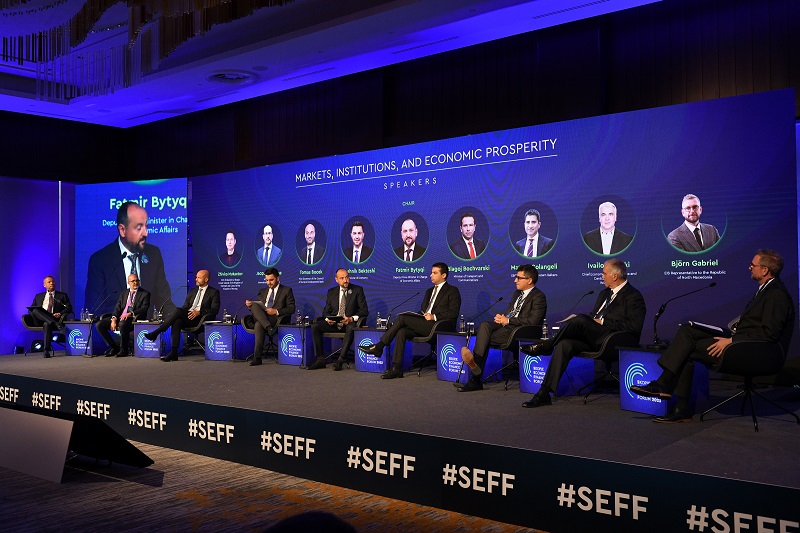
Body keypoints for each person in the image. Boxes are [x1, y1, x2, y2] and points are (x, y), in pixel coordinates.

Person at [631, 249, 794, 423]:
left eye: (753, 265)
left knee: (688, 349)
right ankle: (666, 388)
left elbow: (769, 334)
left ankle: (675, 399)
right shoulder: (766, 290)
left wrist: (731, 340)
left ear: (765, 270)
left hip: (755, 352)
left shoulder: (776, 294)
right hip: (742, 341)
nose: (749, 268)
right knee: (687, 330)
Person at [520, 258, 646, 407]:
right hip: (594, 339)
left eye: (604, 273)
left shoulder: (633, 296)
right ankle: (544, 393)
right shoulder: (604, 294)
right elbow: (593, 316)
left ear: (615, 276)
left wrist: (603, 322)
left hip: (613, 341)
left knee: (580, 319)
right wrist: (593, 321)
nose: (602, 276)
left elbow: (634, 326)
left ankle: (547, 345)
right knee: (565, 344)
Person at [361, 262, 461, 379]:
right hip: (425, 324)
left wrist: (434, 316)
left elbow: (453, 313)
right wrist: (419, 315)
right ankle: (397, 368)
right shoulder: (429, 291)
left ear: (443, 275)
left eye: (435, 273)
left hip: (439, 326)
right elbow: (424, 309)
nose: (431, 275)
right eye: (431, 272)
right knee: (402, 331)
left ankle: (379, 346)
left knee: (402, 318)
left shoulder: (452, 291)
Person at [458, 264, 547, 392]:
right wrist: (502, 318)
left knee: (484, 338)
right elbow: (511, 313)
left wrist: (508, 320)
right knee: (485, 325)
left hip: (521, 331)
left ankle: (475, 375)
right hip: (508, 326)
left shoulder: (538, 297)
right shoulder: (517, 294)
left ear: (529, 280)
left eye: (519, 278)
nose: (515, 280)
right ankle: (475, 373)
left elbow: (533, 321)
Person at [85, 201, 173, 317]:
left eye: (146, 226)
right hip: (114, 326)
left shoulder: (153, 254)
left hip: (145, 326)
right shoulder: (100, 260)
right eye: (139, 228)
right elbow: (95, 308)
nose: (145, 233)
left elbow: (164, 301)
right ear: (122, 230)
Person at [144, 270, 220, 362]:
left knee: (178, 311)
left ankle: (157, 332)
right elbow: (185, 306)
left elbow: (214, 310)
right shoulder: (193, 291)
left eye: (199, 278)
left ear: (206, 279)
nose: (196, 279)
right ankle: (174, 353)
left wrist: (199, 312)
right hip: (188, 317)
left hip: (200, 319)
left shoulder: (214, 292)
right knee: (177, 321)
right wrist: (183, 313)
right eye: (196, 277)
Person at [308, 268, 369, 371]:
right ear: (336, 280)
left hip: (348, 324)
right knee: (315, 326)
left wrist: (351, 319)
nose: (345, 280)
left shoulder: (357, 290)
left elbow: (364, 311)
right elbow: (326, 312)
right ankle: (320, 359)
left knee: (351, 327)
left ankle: (340, 360)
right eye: (342, 278)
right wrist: (328, 319)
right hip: (334, 324)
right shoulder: (332, 292)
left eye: (347, 277)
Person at [245, 267, 296, 366]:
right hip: (263, 317)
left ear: (278, 278)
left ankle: (257, 358)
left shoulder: (286, 290)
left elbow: (291, 308)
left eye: (271, 280)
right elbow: (257, 310)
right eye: (267, 280)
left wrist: (276, 311)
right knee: (254, 305)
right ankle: (269, 328)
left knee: (258, 325)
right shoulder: (262, 291)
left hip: (276, 319)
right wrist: (250, 306)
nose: (269, 283)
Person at [96, 273, 151, 357]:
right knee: (99, 324)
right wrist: (114, 319)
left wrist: (131, 313)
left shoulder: (145, 293)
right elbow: (117, 308)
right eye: (133, 281)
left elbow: (144, 308)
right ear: (128, 282)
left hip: (133, 319)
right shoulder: (124, 293)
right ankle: (114, 347)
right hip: (120, 318)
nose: (135, 282)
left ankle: (124, 349)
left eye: (137, 280)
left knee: (122, 324)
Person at [28, 276, 73, 358]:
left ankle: (46, 350)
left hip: (53, 318)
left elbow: (69, 308)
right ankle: (56, 324)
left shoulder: (62, 296)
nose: (52, 283)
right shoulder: (38, 296)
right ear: (44, 285)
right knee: (35, 310)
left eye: (53, 281)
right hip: (39, 320)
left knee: (47, 324)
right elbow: (31, 310)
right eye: (49, 282)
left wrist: (60, 313)